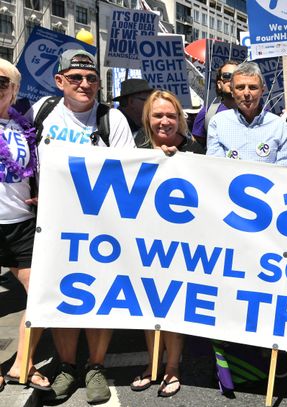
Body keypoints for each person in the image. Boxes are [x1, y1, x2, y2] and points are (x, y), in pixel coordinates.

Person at [27, 48, 135, 404]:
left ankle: (96, 367)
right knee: (62, 294)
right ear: (60, 82)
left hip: (99, 225)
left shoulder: (111, 120)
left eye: (91, 78)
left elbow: (128, 170)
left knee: (98, 295)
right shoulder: (40, 111)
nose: (84, 84)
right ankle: (68, 366)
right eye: (75, 78)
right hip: (51, 226)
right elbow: (18, 155)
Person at [129, 90, 203, 398]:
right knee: (148, 305)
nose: (164, 121)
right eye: (158, 115)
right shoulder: (135, 146)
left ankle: (172, 366)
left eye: (171, 115)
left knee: (172, 305)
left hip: (183, 243)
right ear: (148, 118)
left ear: (180, 119)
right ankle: (153, 362)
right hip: (144, 238)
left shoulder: (197, 150)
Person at [0, 58, 51, 393]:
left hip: (20, 223)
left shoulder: (22, 128)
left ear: (15, 89)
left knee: (41, 296)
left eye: (2, 82)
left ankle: (23, 363)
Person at [206, 61, 287, 164]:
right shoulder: (218, 123)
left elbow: (283, 170)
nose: (246, 93)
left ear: (262, 90)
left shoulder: (279, 126)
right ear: (232, 91)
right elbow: (215, 166)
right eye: (240, 87)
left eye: (253, 87)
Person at [192, 60, 239, 144]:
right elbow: (196, 147)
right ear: (219, 84)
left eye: (237, 76)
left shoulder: (257, 112)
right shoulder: (207, 113)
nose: (232, 80)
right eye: (227, 76)